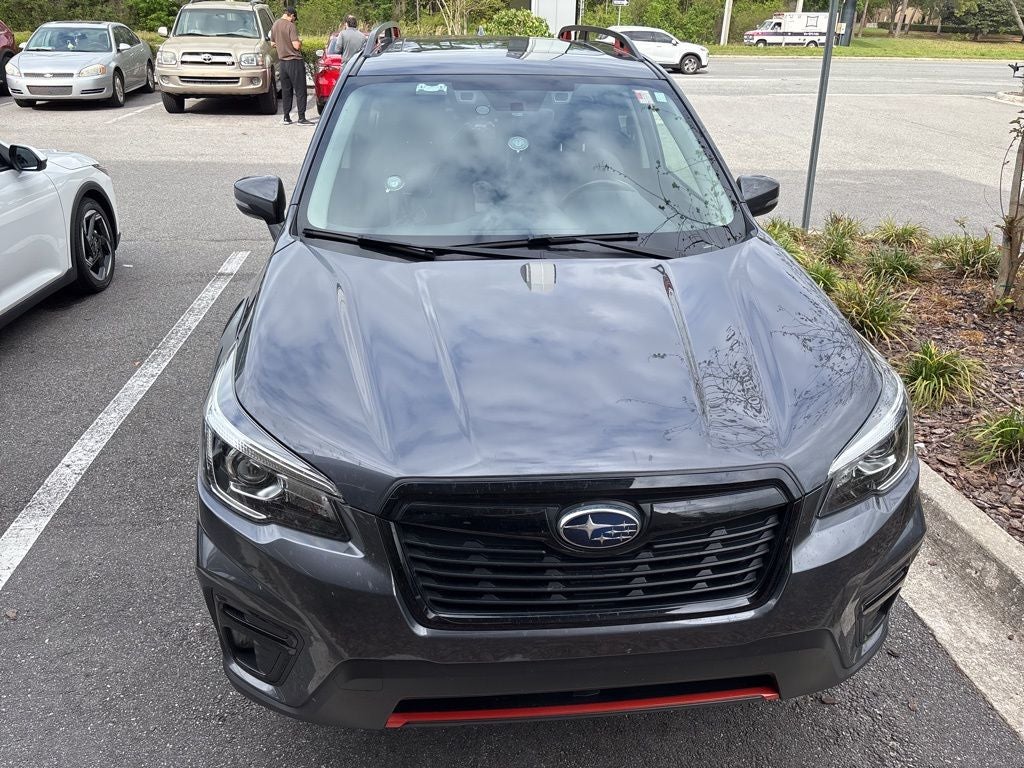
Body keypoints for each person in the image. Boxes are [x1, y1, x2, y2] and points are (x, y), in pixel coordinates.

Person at [270, 6, 313, 125]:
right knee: (300, 90)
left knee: (286, 90)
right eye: (294, 18)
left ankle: (286, 117)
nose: (294, 20)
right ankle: (301, 118)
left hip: (282, 62)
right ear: (292, 15)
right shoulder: (290, 26)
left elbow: (273, 43)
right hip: (294, 61)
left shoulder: (275, 25)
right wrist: (300, 42)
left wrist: (282, 45)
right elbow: (296, 46)